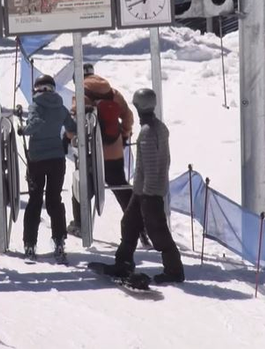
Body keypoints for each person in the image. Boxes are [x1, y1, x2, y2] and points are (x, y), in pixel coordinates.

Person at [105, 88, 184, 284]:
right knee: (129, 224)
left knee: (157, 231)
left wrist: (147, 193)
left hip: (149, 191)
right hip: (145, 189)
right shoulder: (159, 127)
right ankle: (123, 262)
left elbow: (150, 164)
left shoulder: (149, 132)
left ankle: (174, 270)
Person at [66, 63, 146, 248]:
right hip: (114, 149)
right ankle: (140, 226)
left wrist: (70, 138)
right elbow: (128, 116)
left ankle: (80, 225)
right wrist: (124, 135)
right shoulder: (112, 92)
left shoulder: (80, 95)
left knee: (81, 186)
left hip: (90, 152)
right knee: (121, 187)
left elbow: (75, 123)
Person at [17, 75, 77, 262]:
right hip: (57, 159)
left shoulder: (36, 105)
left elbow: (35, 123)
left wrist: (23, 130)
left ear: (37, 89)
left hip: (37, 159)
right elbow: (71, 127)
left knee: (35, 200)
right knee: (54, 199)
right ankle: (59, 240)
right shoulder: (60, 106)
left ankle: (30, 244)